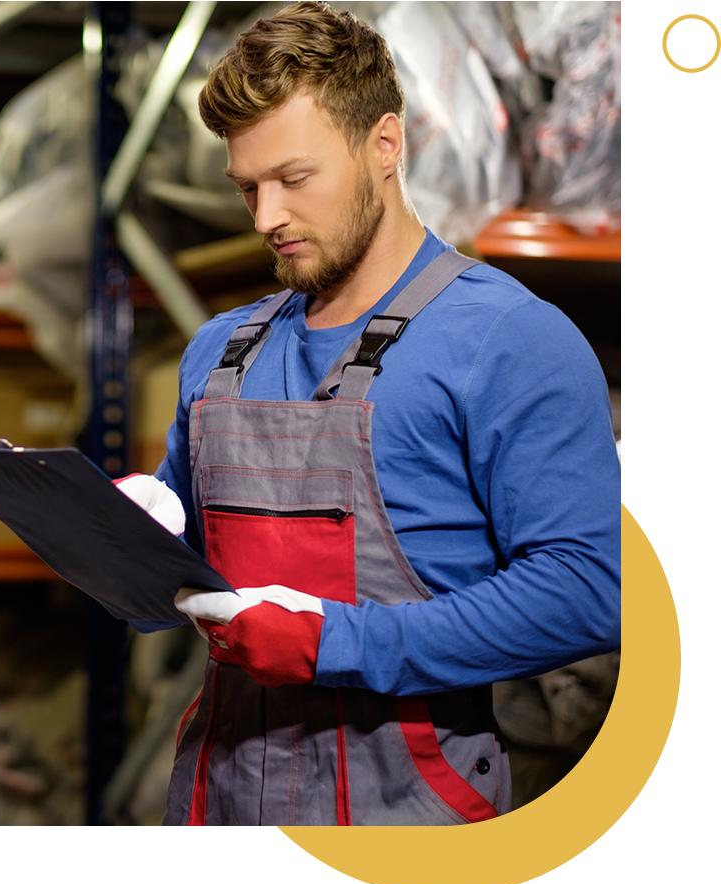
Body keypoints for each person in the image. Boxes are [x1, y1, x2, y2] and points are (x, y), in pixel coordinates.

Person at [115, 1, 621, 826]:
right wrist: (133, 538)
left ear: (386, 143)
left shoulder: (507, 339)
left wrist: (336, 644)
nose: (267, 217)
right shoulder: (219, 352)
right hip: (217, 807)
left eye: (294, 178)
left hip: (403, 820)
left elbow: (589, 592)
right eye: (247, 186)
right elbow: (168, 596)